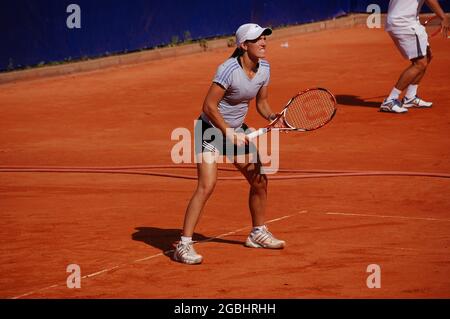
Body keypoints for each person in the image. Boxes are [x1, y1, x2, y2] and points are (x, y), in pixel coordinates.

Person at [173, 23, 285, 265]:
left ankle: (257, 233)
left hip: (235, 130)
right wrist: (227, 133)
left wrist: (273, 117)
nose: (264, 42)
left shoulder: (264, 68)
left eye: (265, 38)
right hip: (210, 130)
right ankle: (183, 244)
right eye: (258, 39)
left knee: (259, 180)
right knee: (207, 185)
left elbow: (262, 103)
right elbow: (208, 106)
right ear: (244, 45)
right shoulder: (227, 70)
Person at [380, 0, 449, 113]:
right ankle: (390, 100)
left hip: (404, 21)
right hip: (404, 23)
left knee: (427, 56)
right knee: (420, 63)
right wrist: (443, 17)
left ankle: (410, 97)